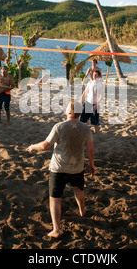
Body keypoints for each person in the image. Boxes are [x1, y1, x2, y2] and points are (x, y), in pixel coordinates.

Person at [26, 101, 95, 238]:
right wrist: (92, 164)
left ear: (68, 112)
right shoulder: (86, 128)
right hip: (77, 168)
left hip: (59, 168)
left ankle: (56, 229)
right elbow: (90, 149)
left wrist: (33, 146)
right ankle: (82, 211)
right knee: (78, 190)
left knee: (55, 198)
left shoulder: (59, 127)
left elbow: (45, 146)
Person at [80, 69, 104, 134]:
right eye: (93, 75)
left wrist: (96, 104)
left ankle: (96, 132)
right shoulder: (90, 83)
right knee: (83, 119)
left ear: (99, 76)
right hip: (88, 102)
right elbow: (85, 91)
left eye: (96, 75)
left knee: (95, 120)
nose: (94, 76)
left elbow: (101, 96)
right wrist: (81, 99)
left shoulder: (100, 84)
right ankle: (81, 131)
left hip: (95, 103)